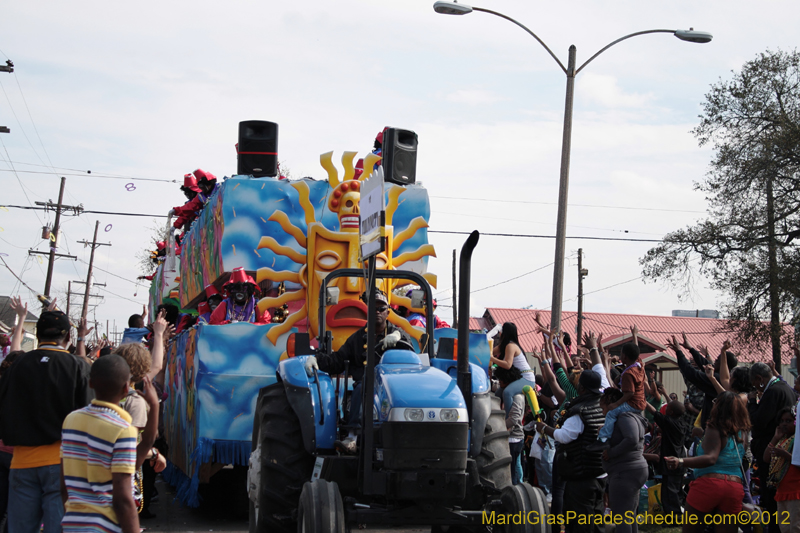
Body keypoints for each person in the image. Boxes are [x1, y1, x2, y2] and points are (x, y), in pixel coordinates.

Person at [0, 310, 92, 532]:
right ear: (68, 337)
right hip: (62, 464)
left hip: (20, 462)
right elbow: (88, 416)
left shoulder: (15, 366)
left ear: (38, 335)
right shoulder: (79, 366)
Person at [304, 289, 412, 453]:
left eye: (381, 308)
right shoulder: (357, 338)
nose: (377, 311)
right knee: (363, 387)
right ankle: (353, 437)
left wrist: (398, 335)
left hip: (395, 388)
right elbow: (337, 360)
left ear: (388, 312)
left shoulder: (397, 334)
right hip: (367, 388)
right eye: (373, 308)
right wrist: (316, 359)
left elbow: (410, 350)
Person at [60, 354, 151, 533]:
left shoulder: (70, 420)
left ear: (90, 383)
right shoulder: (123, 429)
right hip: (106, 526)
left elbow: (63, 484)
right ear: (126, 388)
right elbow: (123, 498)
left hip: (72, 524)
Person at [665, 391, 750, 533]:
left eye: (715, 401)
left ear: (719, 406)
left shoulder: (714, 426)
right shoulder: (743, 432)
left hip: (709, 484)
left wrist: (680, 461)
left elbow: (711, 458)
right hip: (734, 487)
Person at [535, 371, 606, 533]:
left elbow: (563, 436)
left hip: (581, 474)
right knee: (596, 516)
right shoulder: (601, 407)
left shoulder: (579, 411)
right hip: (600, 472)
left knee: (581, 521)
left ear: (581, 388)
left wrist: (545, 428)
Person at [749, 361, 796, 525]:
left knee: (771, 497)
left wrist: (752, 403)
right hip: (779, 446)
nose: (755, 387)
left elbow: (758, 421)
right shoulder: (783, 387)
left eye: (754, 383)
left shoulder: (773, 391)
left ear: (759, 378)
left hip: (772, 448)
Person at [599, 388, 648, 533]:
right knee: (629, 515)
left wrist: (611, 453)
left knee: (621, 518)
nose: (603, 412)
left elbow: (631, 439)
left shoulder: (624, 417)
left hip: (625, 472)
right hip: (631, 470)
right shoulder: (632, 415)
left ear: (610, 404)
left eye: (603, 408)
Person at [590, 340, 646, 450]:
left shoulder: (628, 374)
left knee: (611, 413)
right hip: (641, 402)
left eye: (621, 354)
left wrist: (616, 404)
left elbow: (630, 393)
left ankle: (603, 438)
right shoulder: (639, 365)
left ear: (624, 357)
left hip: (633, 403)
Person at [645, 397, 687, 516]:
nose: (665, 409)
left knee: (670, 492)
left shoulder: (670, 422)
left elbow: (654, 412)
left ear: (671, 412)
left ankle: (674, 517)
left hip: (671, 462)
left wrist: (644, 401)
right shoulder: (682, 422)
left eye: (667, 408)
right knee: (677, 491)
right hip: (681, 461)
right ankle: (678, 513)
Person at [764, 407, 800, 533]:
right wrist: (775, 438)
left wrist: (785, 454)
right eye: (782, 421)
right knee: (784, 529)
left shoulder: (797, 441)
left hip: (796, 491)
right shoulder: (781, 441)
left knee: (795, 527)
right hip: (781, 491)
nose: (784, 423)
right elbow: (766, 458)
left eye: (789, 421)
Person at [490, 322, 536, 416]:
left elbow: (507, 365)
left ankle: (508, 419)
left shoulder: (511, 346)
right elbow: (490, 351)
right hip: (519, 377)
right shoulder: (505, 345)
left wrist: (492, 358)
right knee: (498, 394)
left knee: (507, 392)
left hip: (526, 378)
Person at [496, 366, 525, 485]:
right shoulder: (508, 394)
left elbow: (514, 419)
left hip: (514, 437)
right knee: (516, 464)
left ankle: (517, 488)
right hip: (513, 436)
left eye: (500, 380)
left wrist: (499, 426)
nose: (498, 382)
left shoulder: (516, 396)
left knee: (513, 468)